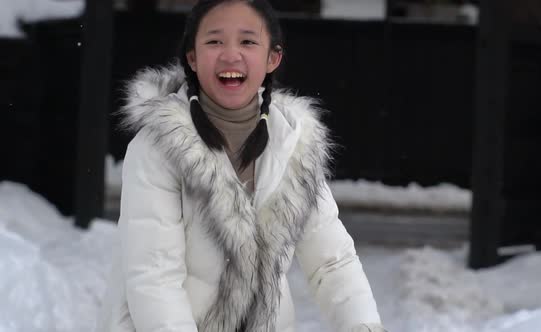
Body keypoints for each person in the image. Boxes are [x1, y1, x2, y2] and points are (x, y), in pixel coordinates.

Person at [95, 0, 386, 331]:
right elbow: (153, 275)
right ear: (192, 57)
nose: (230, 55)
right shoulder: (157, 148)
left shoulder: (294, 145)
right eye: (214, 41)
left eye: (248, 41)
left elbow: (332, 262)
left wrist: (363, 325)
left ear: (272, 58)